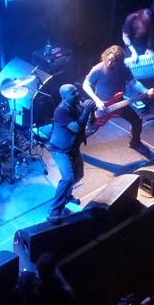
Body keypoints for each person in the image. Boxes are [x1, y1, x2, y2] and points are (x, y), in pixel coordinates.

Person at [82, 45, 154, 152]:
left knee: (136, 121)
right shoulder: (98, 69)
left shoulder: (124, 69)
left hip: (119, 103)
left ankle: (135, 143)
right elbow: (86, 85)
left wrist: (146, 91)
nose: (109, 63)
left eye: (113, 62)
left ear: (119, 62)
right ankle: (71, 147)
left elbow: (134, 82)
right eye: (108, 59)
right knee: (89, 129)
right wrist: (97, 101)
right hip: (101, 106)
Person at [46, 84, 95, 223]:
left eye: (76, 91)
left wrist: (91, 111)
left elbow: (92, 123)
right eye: (73, 93)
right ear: (64, 97)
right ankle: (54, 211)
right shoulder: (60, 110)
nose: (77, 94)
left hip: (73, 147)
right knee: (67, 178)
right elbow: (75, 128)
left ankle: (67, 196)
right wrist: (86, 110)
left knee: (78, 175)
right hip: (60, 149)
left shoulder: (79, 105)